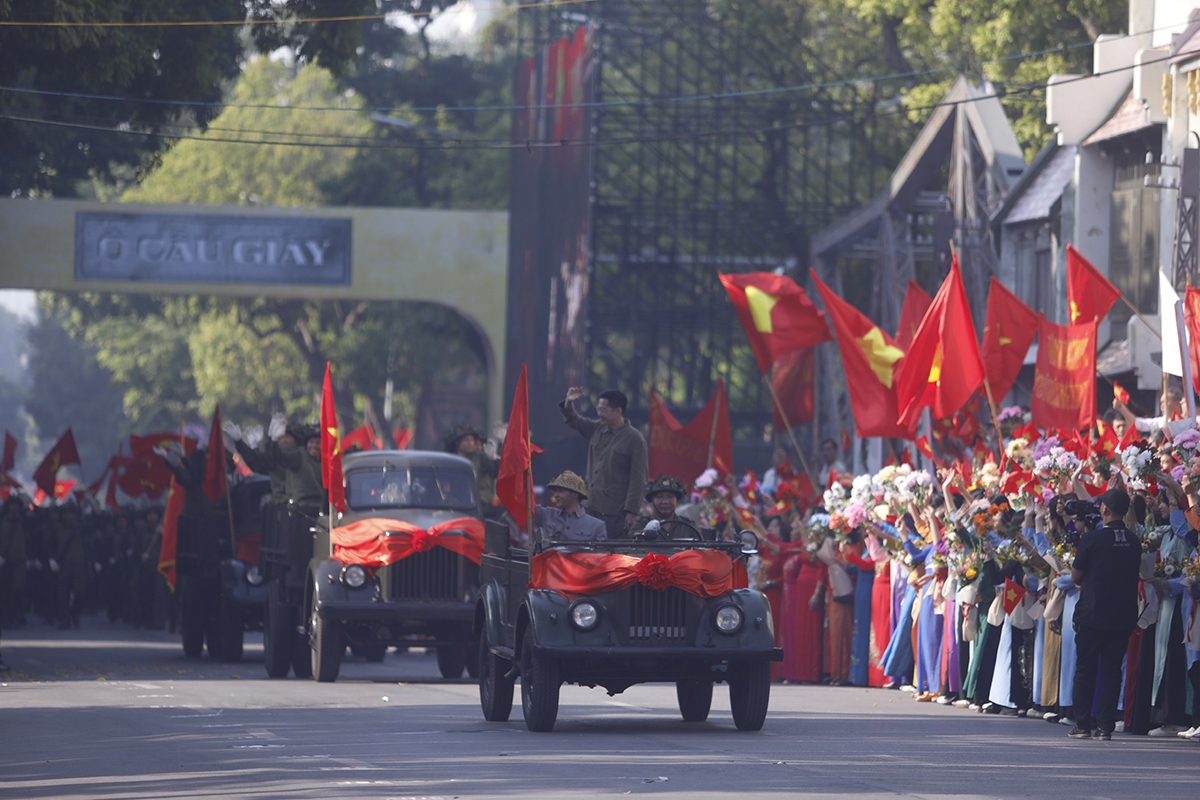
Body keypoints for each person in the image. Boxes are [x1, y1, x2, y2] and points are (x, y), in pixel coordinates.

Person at [1068, 488, 1142, 741]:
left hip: (1092, 612)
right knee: (1112, 671)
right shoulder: (1134, 541)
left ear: (1104, 509)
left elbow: (1076, 576)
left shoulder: (1093, 538)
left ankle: (1082, 724)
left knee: (1085, 670)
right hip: (1122, 615)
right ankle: (1105, 727)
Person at [559, 387, 648, 539]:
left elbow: (638, 479)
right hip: (588, 508)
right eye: (598, 409)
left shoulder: (634, 439)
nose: (599, 413)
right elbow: (575, 421)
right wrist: (569, 402)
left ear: (618, 411)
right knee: (585, 549)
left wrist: (632, 511)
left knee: (608, 550)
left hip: (614, 513)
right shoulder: (597, 429)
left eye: (603, 409)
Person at [532, 471, 606, 543]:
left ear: (575, 494)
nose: (555, 495)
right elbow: (527, 505)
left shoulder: (597, 526)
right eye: (556, 491)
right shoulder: (546, 515)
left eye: (560, 491)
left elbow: (600, 551)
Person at [445, 423, 500, 510]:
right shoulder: (452, 460)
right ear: (457, 442)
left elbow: (495, 472)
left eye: (471, 440)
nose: (470, 443)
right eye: (466, 440)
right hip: (456, 502)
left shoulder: (480, 457)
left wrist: (494, 459)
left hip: (479, 502)